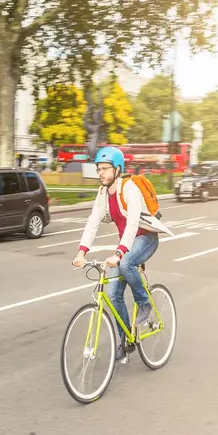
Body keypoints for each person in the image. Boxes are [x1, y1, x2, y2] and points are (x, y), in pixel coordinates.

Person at [72, 146, 169, 361]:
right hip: (127, 243)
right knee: (114, 295)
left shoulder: (129, 188)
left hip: (146, 238)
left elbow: (133, 224)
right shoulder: (103, 193)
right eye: (98, 169)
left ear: (117, 169)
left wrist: (120, 253)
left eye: (105, 169)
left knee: (125, 264)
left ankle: (143, 302)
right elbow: (93, 222)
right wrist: (81, 252)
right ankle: (126, 340)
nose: (101, 173)